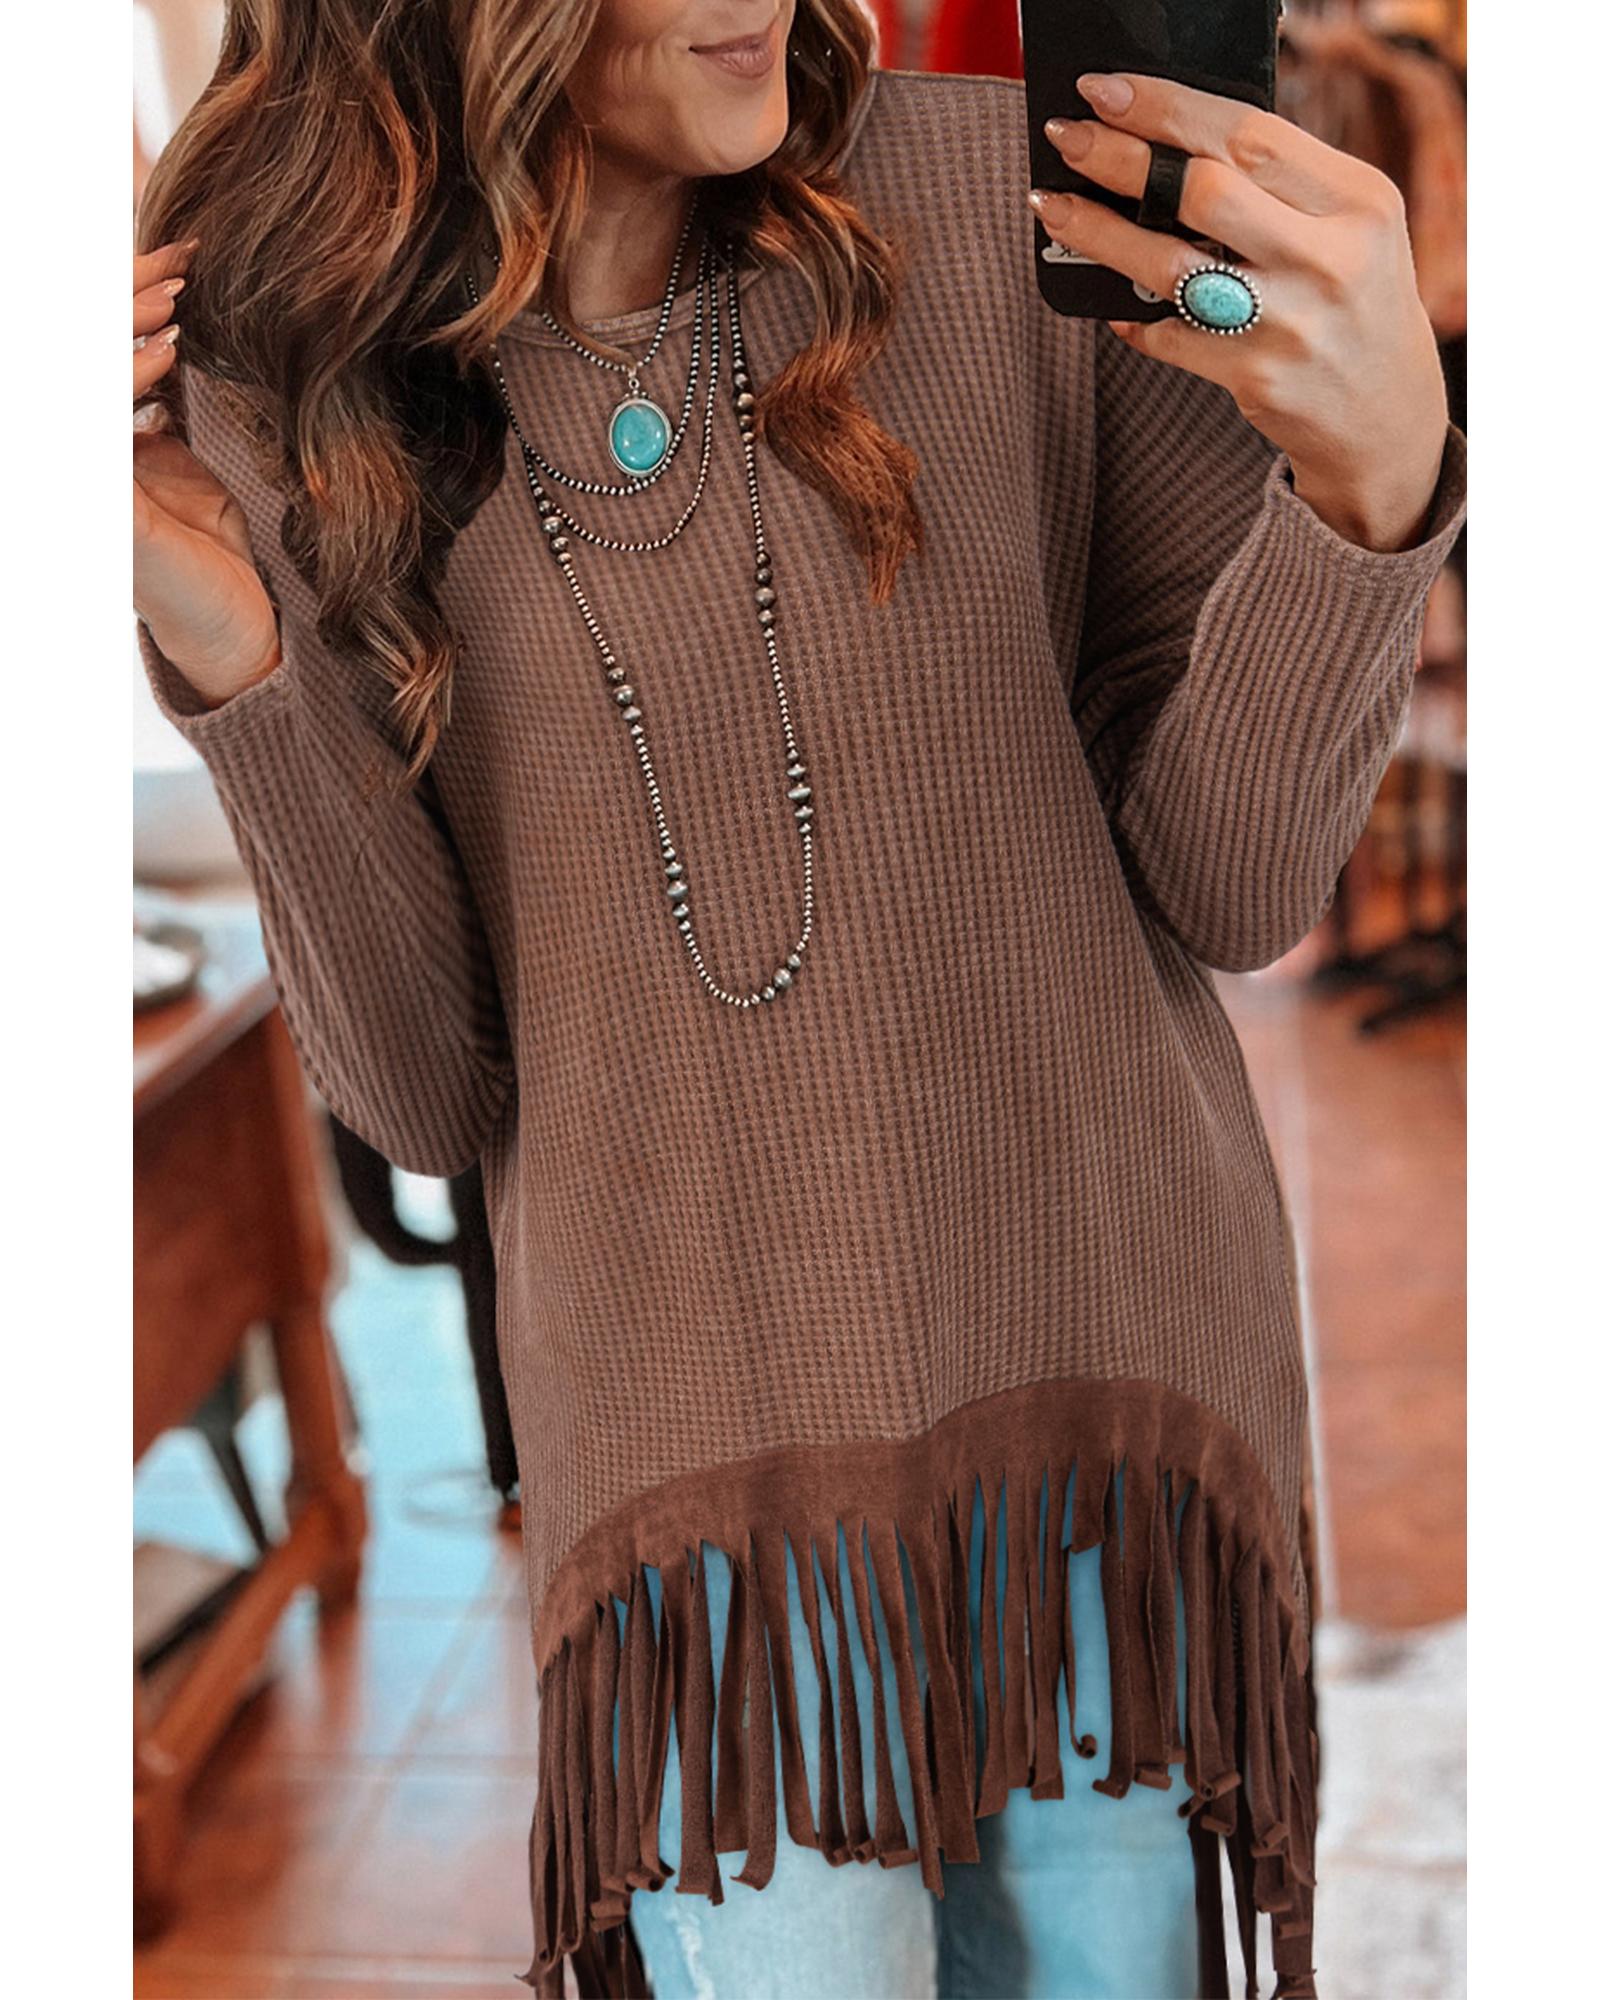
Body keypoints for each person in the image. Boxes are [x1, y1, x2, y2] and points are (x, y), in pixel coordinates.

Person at [132, 6, 1466, 1996]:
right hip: (703, 1497)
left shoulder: (1022, 207)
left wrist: (1371, 485)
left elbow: (1230, 883)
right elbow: (420, 1092)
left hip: (1099, 1374)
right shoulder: (286, 381)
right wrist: (232, 658)